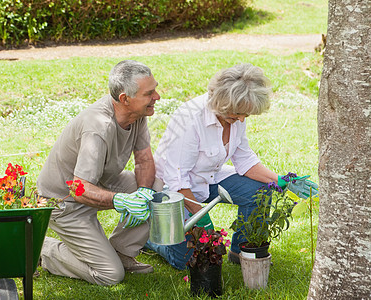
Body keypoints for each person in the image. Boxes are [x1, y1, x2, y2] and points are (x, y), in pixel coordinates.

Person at [145, 63, 318, 269]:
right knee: (186, 261)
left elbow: (245, 161)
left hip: (209, 178)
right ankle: (150, 240)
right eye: (238, 113)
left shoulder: (235, 114)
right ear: (221, 102)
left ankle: (243, 251)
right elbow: (177, 179)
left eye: (246, 114)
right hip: (175, 192)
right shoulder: (190, 118)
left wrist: (282, 181)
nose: (242, 119)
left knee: (261, 190)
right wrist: (201, 217)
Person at [36, 60, 162, 286]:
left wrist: (142, 192)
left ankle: (122, 253)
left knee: (156, 188)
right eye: (149, 93)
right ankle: (41, 250)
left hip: (101, 182)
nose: (157, 97)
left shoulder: (138, 114)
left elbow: (144, 159)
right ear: (125, 99)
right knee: (109, 275)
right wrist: (121, 200)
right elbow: (79, 189)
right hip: (65, 202)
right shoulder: (99, 127)